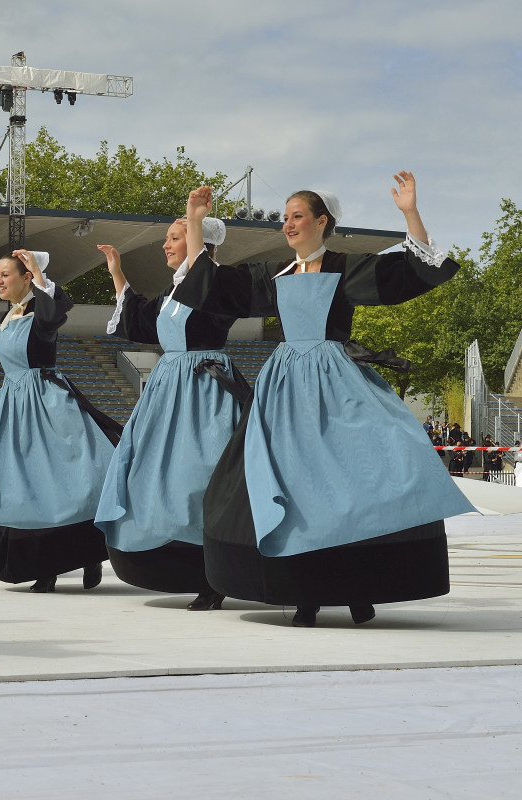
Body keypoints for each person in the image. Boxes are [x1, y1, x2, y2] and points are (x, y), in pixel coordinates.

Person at [176, 172, 474, 627]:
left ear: (322, 221)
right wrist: (196, 221)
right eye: (285, 217)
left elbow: (408, 273)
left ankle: (356, 588)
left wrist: (409, 213)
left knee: (348, 483)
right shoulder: (277, 275)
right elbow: (213, 286)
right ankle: (306, 593)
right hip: (284, 391)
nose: (287, 224)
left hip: (335, 388)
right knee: (293, 489)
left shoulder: (344, 267)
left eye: (297, 216)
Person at [0, 250, 122, 592]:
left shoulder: (40, 315)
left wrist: (40, 275)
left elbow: (55, 311)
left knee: (58, 483)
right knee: (22, 486)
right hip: (13, 408)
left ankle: (79, 557)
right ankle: (45, 563)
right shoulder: (1, 320)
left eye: (6, 274)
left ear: (27, 277)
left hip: (47, 406)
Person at [94, 217, 243, 610]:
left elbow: (206, 293)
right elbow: (142, 321)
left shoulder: (215, 281)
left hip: (203, 389)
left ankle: (215, 574)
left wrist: (194, 220)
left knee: (199, 474)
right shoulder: (174, 289)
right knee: (154, 474)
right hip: (169, 386)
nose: (165, 244)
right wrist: (117, 274)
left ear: (199, 242)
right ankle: (183, 566)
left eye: (174, 238)